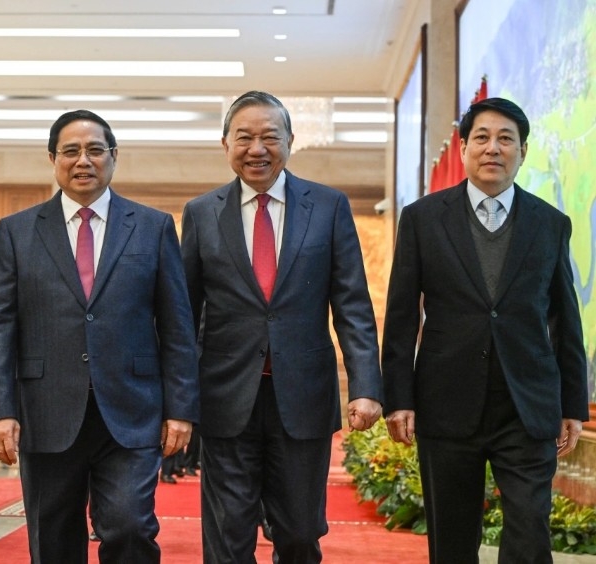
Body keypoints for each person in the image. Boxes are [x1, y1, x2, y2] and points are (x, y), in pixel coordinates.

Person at [0, 109, 199, 563]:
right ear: (52, 159)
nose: (84, 160)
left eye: (95, 150)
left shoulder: (153, 227)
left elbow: (178, 326)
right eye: (71, 151)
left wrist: (181, 409)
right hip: (46, 411)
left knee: (129, 526)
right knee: (54, 539)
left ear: (114, 157)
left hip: (132, 410)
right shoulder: (17, 232)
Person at [382, 97, 589, 563]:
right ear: (463, 148)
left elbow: (564, 318)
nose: (492, 148)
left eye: (505, 139)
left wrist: (573, 403)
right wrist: (399, 397)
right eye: (481, 138)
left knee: (529, 533)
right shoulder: (422, 219)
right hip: (446, 400)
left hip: (527, 403)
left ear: (523, 151)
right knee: (452, 540)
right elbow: (400, 318)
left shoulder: (550, 224)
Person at [180, 90, 383, 563]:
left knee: (297, 533)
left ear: (291, 141)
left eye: (270, 137)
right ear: (224, 144)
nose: (257, 149)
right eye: (244, 137)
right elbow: (183, 316)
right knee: (228, 539)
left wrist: (366, 386)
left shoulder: (329, 207)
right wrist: (177, 398)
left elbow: (351, 304)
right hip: (225, 399)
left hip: (302, 399)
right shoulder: (201, 213)